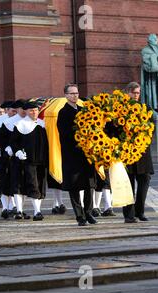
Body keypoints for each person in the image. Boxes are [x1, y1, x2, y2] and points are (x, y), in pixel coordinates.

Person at [58, 84, 97, 226]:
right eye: (72, 93)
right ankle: (80, 216)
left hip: (86, 155)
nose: (75, 95)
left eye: (76, 93)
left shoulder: (83, 110)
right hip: (72, 155)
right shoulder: (63, 112)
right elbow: (64, 134)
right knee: (74, 186)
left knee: (89, 185)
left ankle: (88, 212)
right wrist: (80, 136)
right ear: (66, 95)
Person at [10, 101, 48, 221]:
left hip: (41, 160)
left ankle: (37, 210)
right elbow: (14, 142)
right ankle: (36, 211)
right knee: (32, 184)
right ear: (26, 111)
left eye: (36, 110)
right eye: (31, 110)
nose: (34, 112)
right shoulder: (20, 124)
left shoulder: (42, 124)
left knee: (40, 185)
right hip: (26, 161)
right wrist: (18, 152)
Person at [123, 82, 154, 223]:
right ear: (127, 93)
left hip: (142, 152)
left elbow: (151, 128)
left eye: (138, 93)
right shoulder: (120, 109)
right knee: (127, 185)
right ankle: (129, 215)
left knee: (144, 181)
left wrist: (144, 139)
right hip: (126, 152)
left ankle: (140, 211)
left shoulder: (145, 108)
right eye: (134, 92)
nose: (136, 95)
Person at [0, 100, 24, 219]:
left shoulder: (22, 121)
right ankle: (5, 207)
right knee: (4, 182)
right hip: (3, 156)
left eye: (15, 111)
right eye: (12, 111)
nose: (14, 113)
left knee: (16, 183)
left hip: (17, 157)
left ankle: (16, 207)